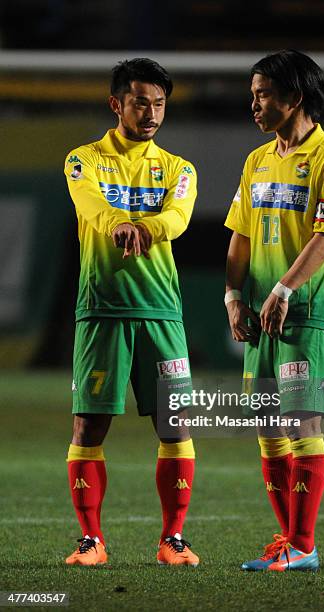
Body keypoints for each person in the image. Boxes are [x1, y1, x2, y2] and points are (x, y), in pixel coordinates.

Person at [63, 58, 199, 567]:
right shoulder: (85, 160)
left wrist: (146, 229)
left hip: (162, 312)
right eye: (141, 101)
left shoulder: (180, 168)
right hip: (101, 311)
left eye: (159, 103)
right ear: (116, 103)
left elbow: (179, 216)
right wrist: (119, 221)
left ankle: (174, 540)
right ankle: (91, 541)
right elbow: (90, 205)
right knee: (89, 428)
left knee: (176, 425)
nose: (151, 112)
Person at [224, 50, 324, 571]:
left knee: (303, 422)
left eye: (262, 94)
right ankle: (291, 541)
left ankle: (303, 545)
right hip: (262, 314)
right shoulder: (257, 160)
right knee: (267, 426)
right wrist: (235, 296)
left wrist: (283, 289)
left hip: (309, 311)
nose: (252, 103)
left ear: (294, 98)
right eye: (253, 94)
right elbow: (239, 235)